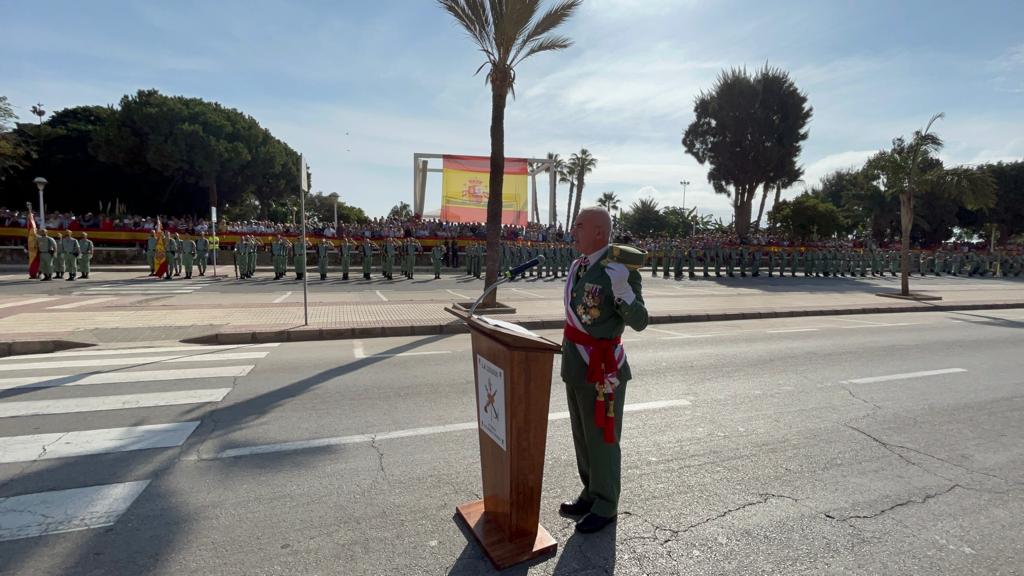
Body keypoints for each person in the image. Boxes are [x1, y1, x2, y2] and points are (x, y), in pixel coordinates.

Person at [559, 206, 648, 534]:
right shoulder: (579, 266)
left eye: (579, 226)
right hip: (576, 364)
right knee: (583, 437)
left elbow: (640, 321)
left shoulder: (620, 268)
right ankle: (591, 492)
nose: (573, 231)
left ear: (599, 231)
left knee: (604, 438)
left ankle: (607, 504)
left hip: (603, 369)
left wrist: (624, 291)